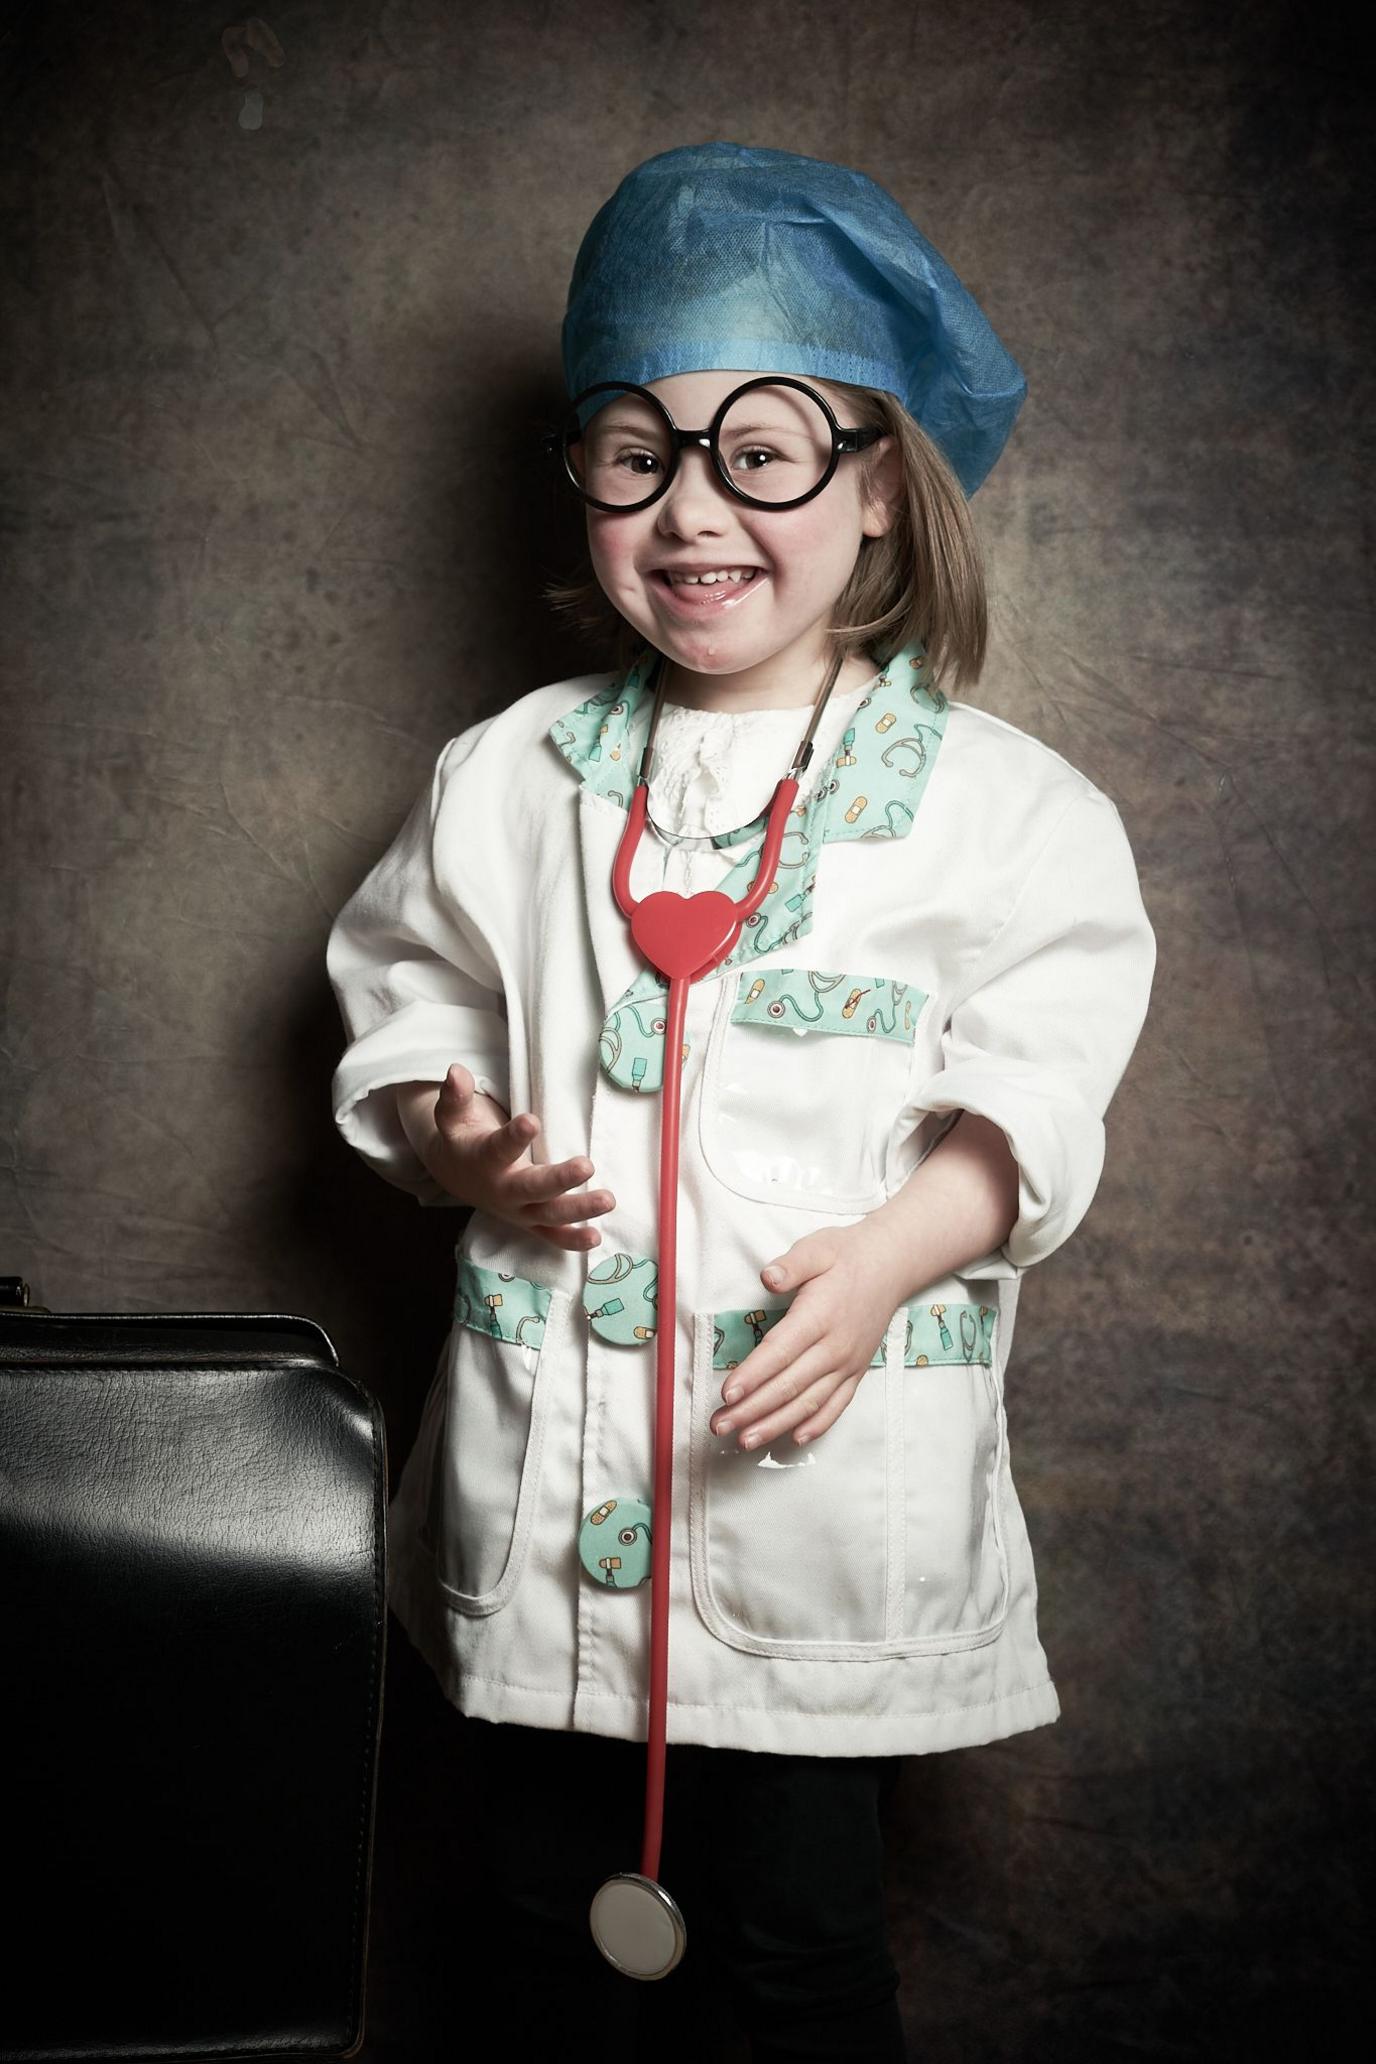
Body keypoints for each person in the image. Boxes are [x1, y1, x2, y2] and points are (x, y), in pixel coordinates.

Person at [325, 142, 1157, 2062]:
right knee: (538, 1937)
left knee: (789, 1950)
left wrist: (880, 1268)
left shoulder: (1008, 808)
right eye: (635, 450)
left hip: (809, 1500)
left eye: (761, 449)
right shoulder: (511, 774)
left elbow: (1034, 1095)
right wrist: (452, 1133)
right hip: (551, 1489)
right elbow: (402, 1005)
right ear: (590, 482)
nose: (693, 510)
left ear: (880, 486)